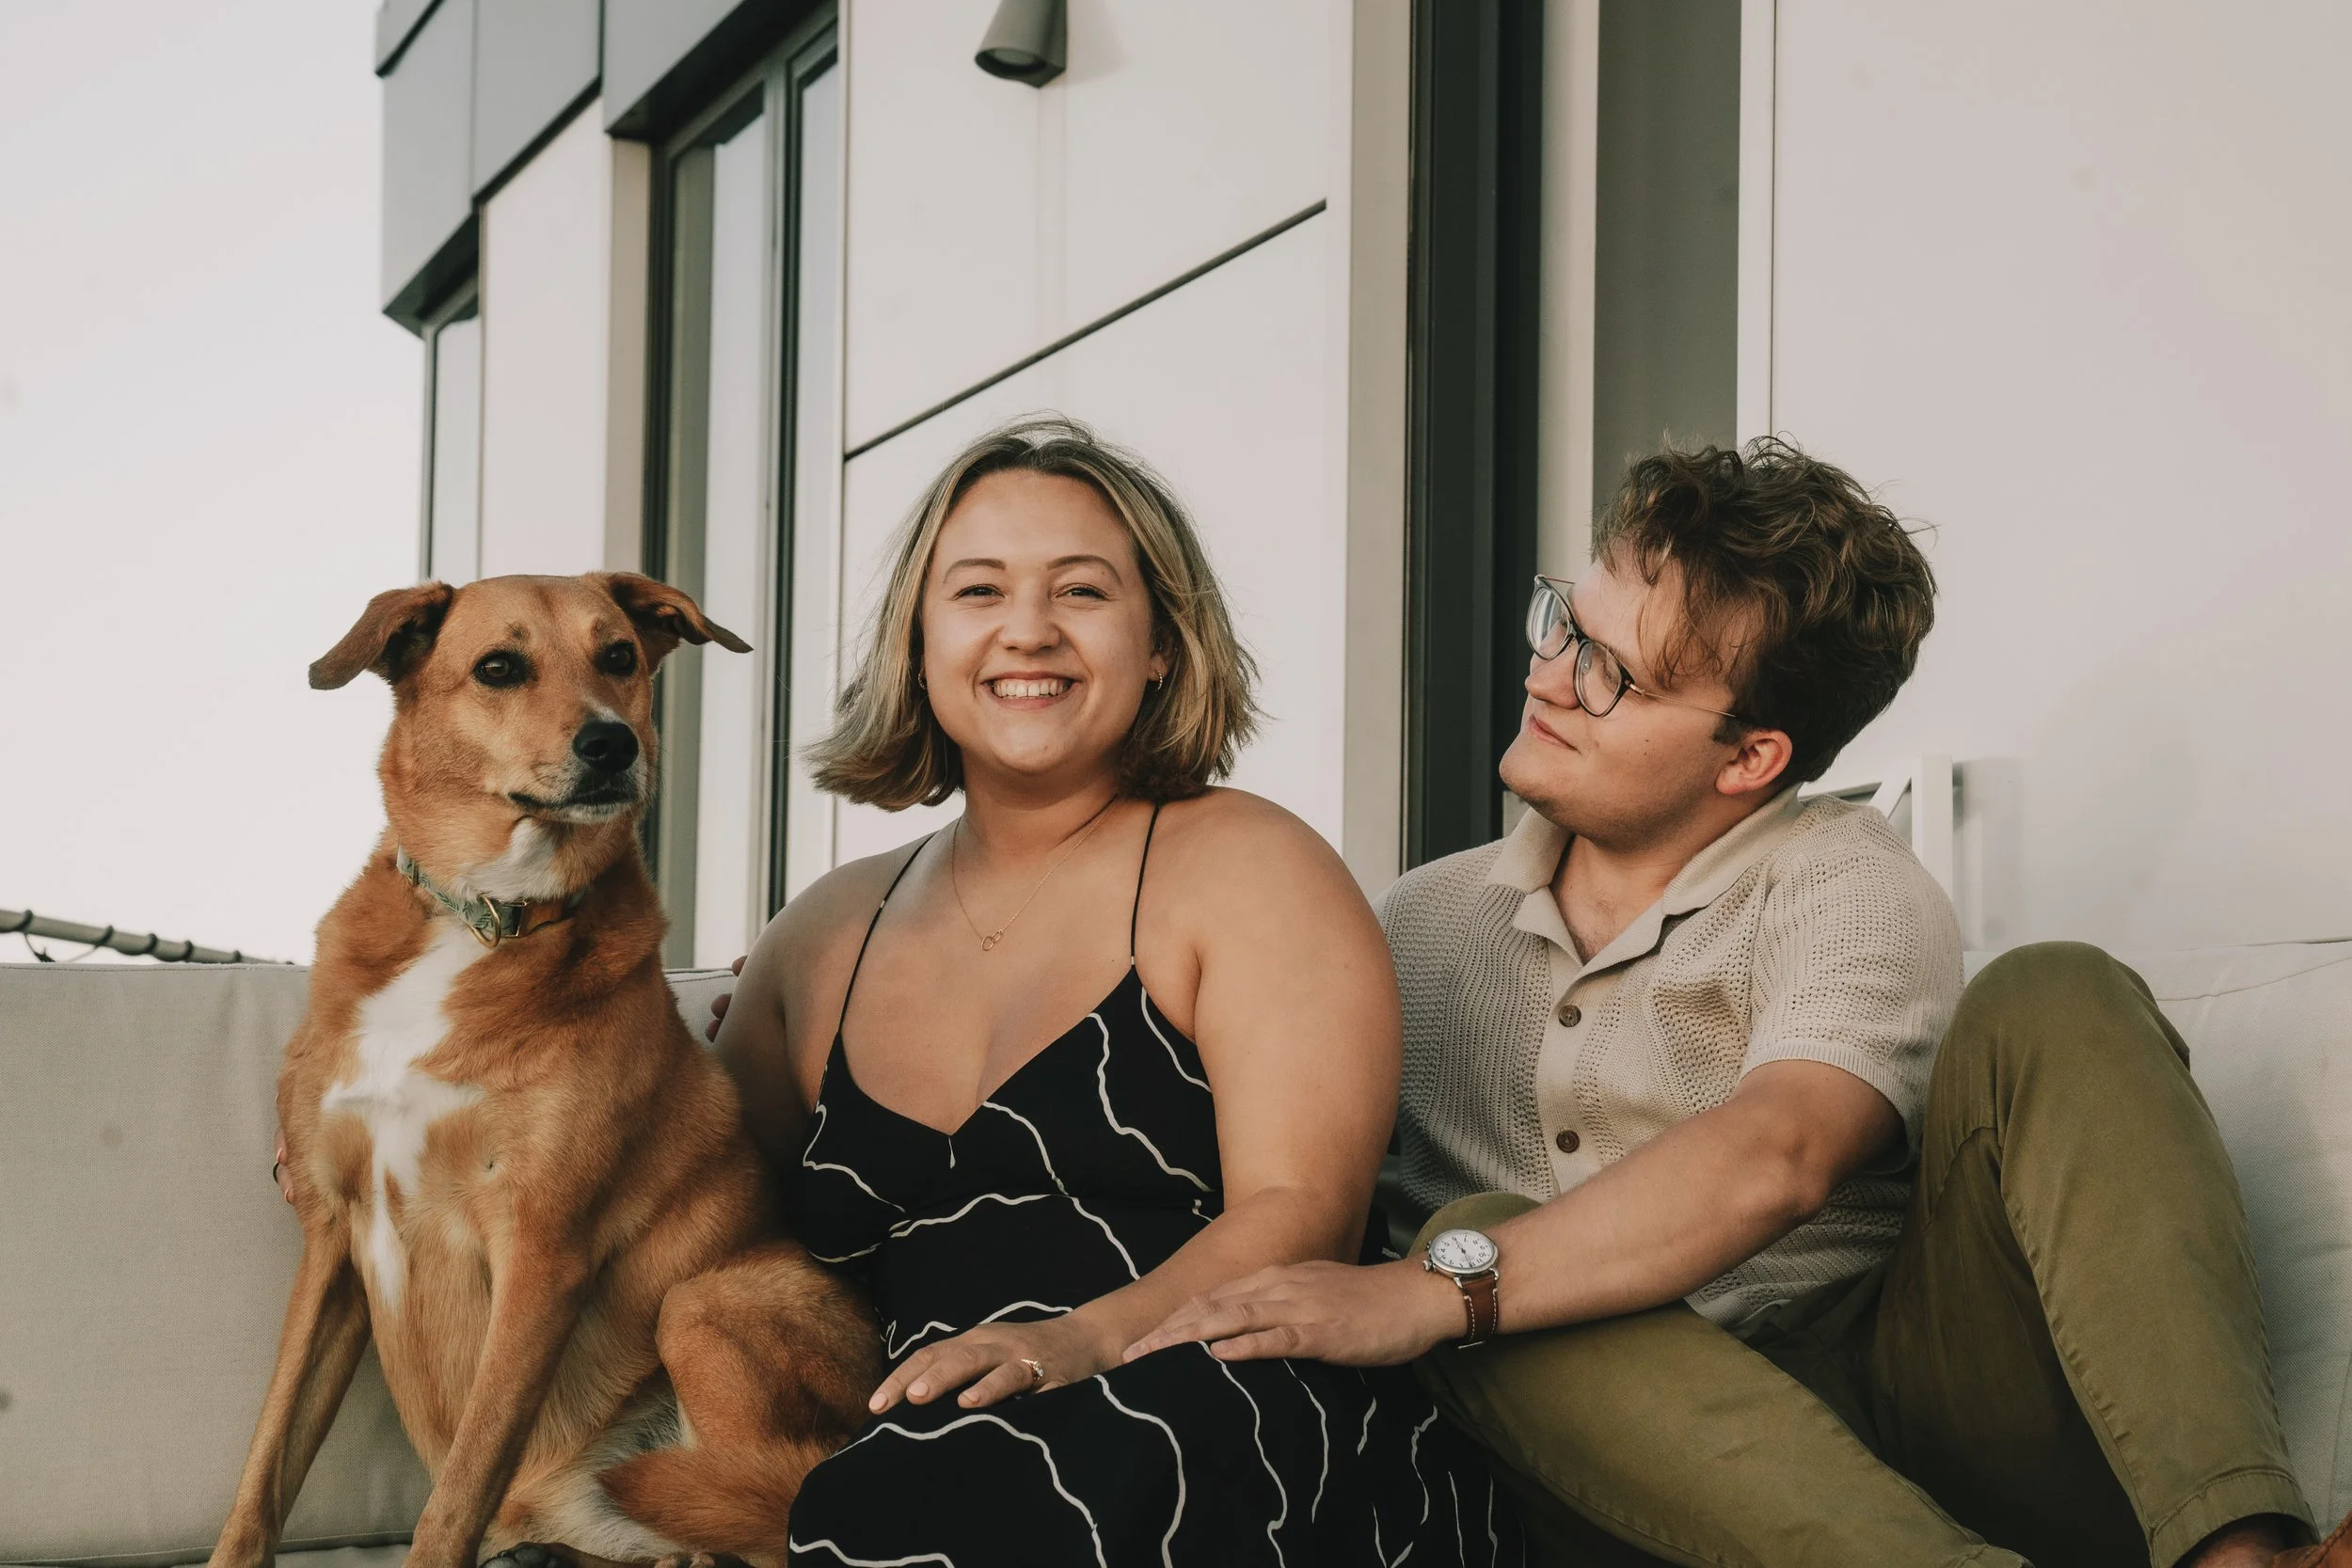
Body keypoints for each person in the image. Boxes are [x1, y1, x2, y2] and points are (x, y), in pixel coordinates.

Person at [1131, 441, 2349, 1568]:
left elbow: (1786, 1146)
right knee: (1484, 1249)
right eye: (1566, 620)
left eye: (1610, 672)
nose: (1547, 673)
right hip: (1629, 1471)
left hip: (1919, 1404)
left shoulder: (1847, 881)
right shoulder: (1414, 923)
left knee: (2056, 989)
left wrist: (1429, 1289)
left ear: (1750, 758)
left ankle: (2240, 1558)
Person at [711, 417, 1523, 1565]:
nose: (1027, 629)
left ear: (1160, 646)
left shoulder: (1250, 864)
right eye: (978, 590)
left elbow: (1304, 1209)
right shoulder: (821, 935)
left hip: (1220, 1407)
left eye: (1081, 591)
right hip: (905, 1445)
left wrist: (1081, 1340)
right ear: (917, 643)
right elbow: (697, 1227)